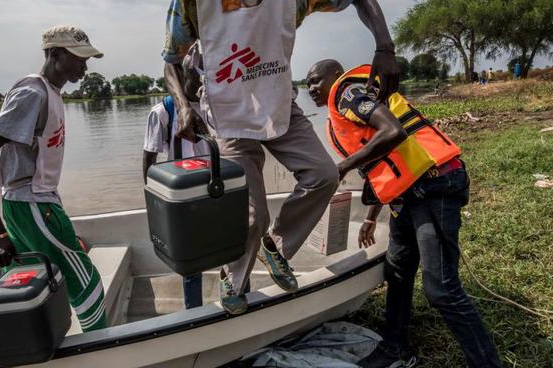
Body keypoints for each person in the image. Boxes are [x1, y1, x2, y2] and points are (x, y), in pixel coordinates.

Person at [162, 0, 400, 315]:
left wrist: (384, 47)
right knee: (253, 216)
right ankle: (232, 280)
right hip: (227, 112)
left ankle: (273, 246)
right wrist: (182, 107)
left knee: (324, 175)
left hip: (277, 103)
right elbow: (171, 63)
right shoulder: (193, 4)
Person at [306, 59, 502, 368]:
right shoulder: (342, 111)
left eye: (316, 80)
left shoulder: (348, 93)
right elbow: (386, 166)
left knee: (441, 289)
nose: (311, 88)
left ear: (335, 75)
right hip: (408, 193)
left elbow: (393, 131)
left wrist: (341, 167)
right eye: (307, 85)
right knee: (397, 272)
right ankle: (395, 347)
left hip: (433, 185)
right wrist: (371, 217)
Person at [0, 26, 107, 332]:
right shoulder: (32, 93)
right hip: (31, 204)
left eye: (87, 58)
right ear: (55, 54)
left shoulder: (49, 93)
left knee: (38, 276)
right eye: (79, 57)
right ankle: (104, 349)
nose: (85, 64)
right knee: (89, 284)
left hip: (32, 203)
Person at [142, 46, 210, 309]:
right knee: (190, 259)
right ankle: (194, 312)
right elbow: (149, 160)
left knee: (229, 247)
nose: (203, 82)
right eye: (197, 76)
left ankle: (237, 298)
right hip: (182, 195)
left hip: (213, 188)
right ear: (182, 76)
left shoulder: (213, 106)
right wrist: (153, 203)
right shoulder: (163, 112)